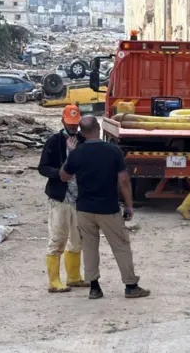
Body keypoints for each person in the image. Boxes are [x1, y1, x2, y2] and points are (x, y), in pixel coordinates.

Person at [60, 115, 150, 300]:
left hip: (84, 209)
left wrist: (70, 152)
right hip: (108, 208)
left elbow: (63, 176)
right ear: (98, 129)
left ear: (82, 133)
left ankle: (94, 288)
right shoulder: (113, 150)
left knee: (90, 248)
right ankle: (131, 286)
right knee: (121, 246)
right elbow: (123, 180)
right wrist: (129, 206)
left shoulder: (77, 152)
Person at [38, 105, 89, 293]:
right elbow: (43, 167)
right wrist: (58, 173)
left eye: (76, 125)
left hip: (79, 199)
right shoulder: (54, 142)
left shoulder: (84, 142)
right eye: (70, 124)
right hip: (60, 198)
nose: (73, 128)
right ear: (62, 122)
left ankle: (74, 277)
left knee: (78, 240)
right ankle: (54, 281)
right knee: (58, 238)